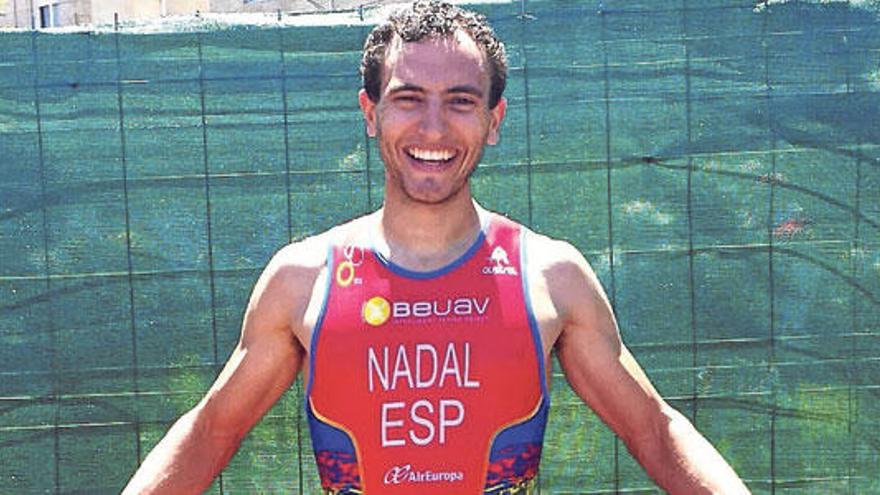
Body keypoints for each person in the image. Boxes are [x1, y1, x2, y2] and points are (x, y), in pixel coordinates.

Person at [123, 2, 751, 494]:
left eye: (460, 102)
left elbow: (655, 431)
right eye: (407, 99)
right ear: (370, 112)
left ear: (493, 120)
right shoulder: (302, 278)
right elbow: (210, 434)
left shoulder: (550, 275)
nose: (432, 128)